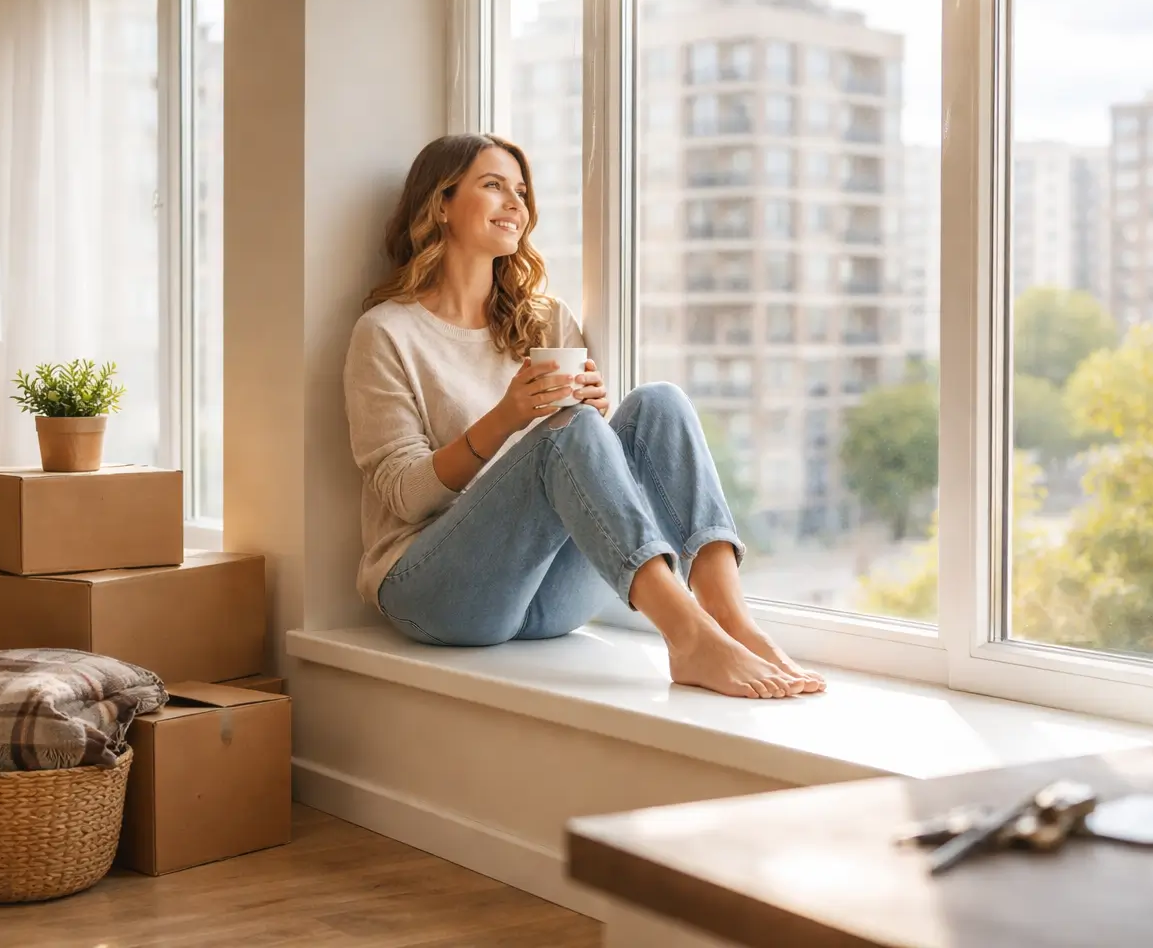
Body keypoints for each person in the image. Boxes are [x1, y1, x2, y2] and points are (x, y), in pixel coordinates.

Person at [343, 134, 824, 699]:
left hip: (548, 596)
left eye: (521, 190)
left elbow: (586, 470)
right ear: (440, 204)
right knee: (565, 432)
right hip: (438, 593)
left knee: (658, 403)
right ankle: (688, 636)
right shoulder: (387, 333)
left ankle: (729, 621)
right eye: (493, 186)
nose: (515, 203)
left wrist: (596, 418)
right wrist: (509, 417)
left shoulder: (544, 320)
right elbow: (403, 495)